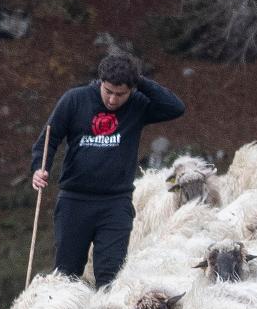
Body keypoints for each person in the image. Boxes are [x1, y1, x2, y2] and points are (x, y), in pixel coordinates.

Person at [29, 53, 187, 287]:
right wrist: (39, 169)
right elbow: (48, 139)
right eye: (108, 91)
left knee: (111, 277)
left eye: (120, 94)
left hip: (115, 203)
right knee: (66, 276)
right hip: (74, 201)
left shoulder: (138, 105)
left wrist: (140, 82)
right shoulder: (74, 99)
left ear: (132, 90)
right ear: (100, 82)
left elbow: (176, 108)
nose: (112, 100)